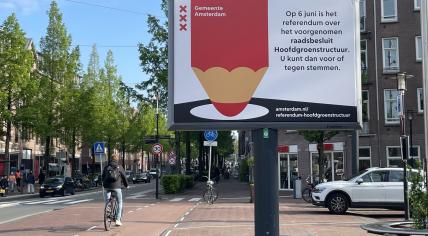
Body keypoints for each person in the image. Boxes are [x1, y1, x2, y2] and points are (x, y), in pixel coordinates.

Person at [102, 153, 129, 226]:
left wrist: (103, 183)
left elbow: (103, 176)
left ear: (111, 159)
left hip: (107, 187)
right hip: (116, 187)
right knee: (120, 202)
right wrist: (127, 185)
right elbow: (124, 177)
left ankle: (108, 209)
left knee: (107, 200)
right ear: (117, 159)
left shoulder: (106, 167)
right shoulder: (119, 167)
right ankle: (117, 220)